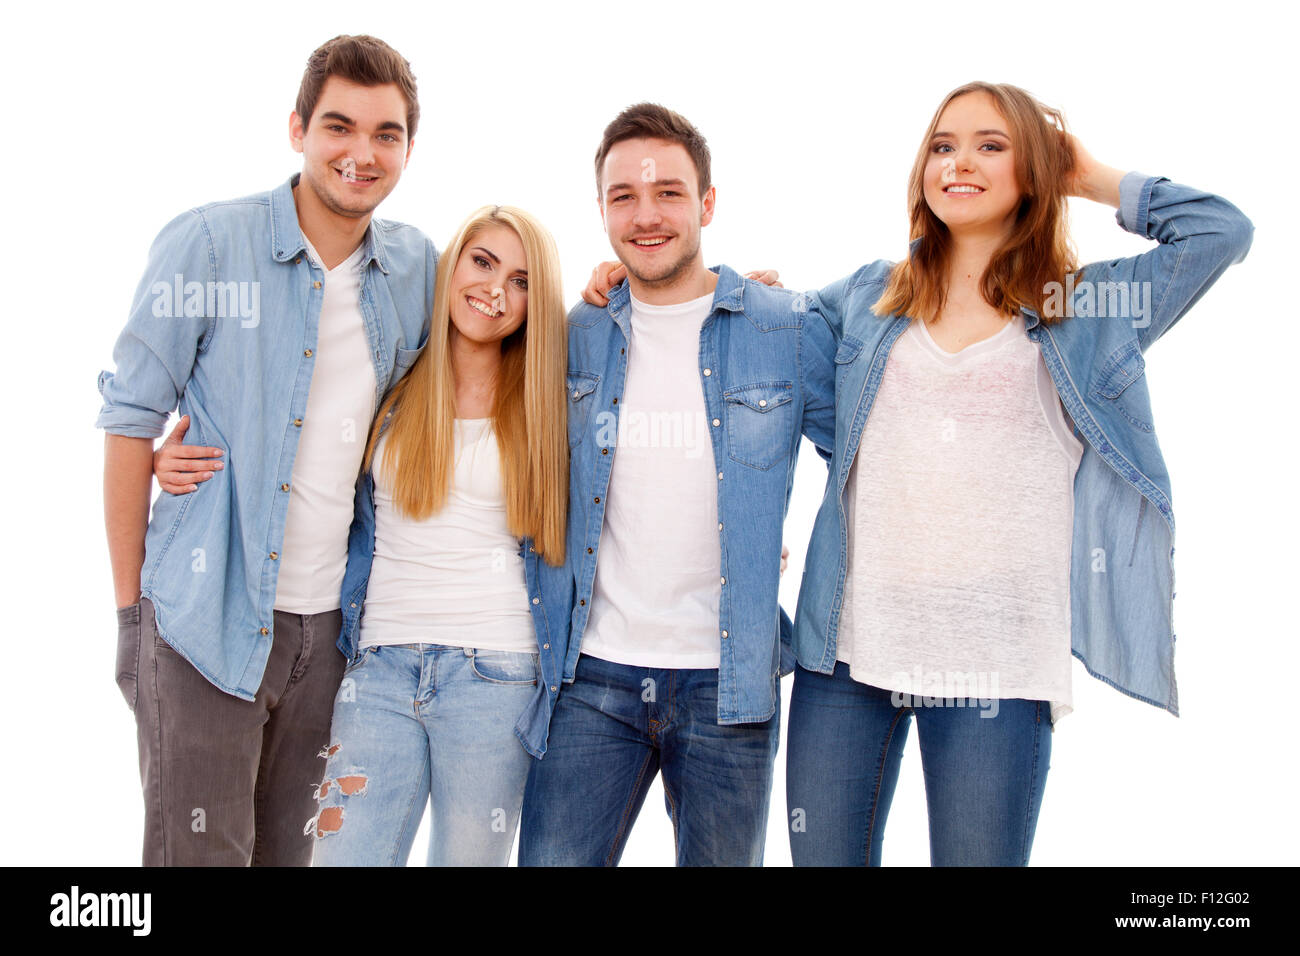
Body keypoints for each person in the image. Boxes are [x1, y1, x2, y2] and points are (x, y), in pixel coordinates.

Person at [786, 81, 1254, 866]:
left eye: (990, 146)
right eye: (943, 145)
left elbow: (1223, 232)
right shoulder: (870, 294)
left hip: (996, 661)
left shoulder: (1084, 305)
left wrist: (1089, 174)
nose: (958, 162)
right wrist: (622, 284)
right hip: (846, 650)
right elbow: (758, 342)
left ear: (1033, 172)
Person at [99, 34, 435, 866]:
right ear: (297, 129)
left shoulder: (415, 268)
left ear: (408, 147)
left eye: (385, 134)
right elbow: (128, 419)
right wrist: (131, 619)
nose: (361, 154)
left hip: (331, 635)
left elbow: (497, 351)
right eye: (339, 127)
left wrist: (605, 287)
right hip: (201, 624)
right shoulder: (212, 245)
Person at [517, 103, 836, 867]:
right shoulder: (575, 335)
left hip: (731, 684)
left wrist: (775, 546)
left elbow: (864, 459)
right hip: (590, 679)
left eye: (668, 192)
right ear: (601, 212)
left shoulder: (784, 328)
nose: (646, 214)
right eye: (623, 195)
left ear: (708, 203)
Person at [305, 205, 573, 866]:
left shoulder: (552, 402)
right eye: (483, 263)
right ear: (452, 264)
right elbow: (296, 453)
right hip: (378, 669)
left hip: (497, 674)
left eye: (521, 281)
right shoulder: (390, 381)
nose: (495, 289)